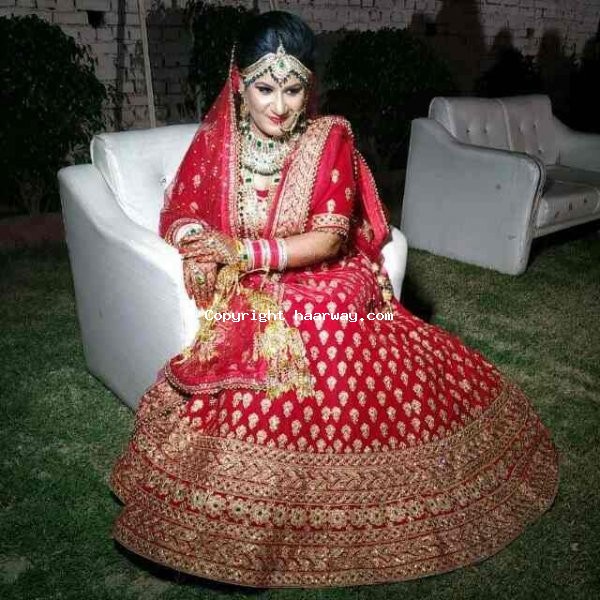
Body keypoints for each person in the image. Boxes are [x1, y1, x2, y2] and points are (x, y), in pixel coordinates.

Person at [110, 11, 558, 588]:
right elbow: (183, 210)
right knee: (261, 330)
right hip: (255, 281)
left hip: (326, 270)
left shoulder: (330, 138)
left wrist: (241, 252)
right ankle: (237, 503)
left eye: (293, 90)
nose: (279, 106)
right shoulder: (218, 141)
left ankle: (316, 487)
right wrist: (199, 245)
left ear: (309, 89)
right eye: (265, 89)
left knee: (317, 318)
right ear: (239, 84)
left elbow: (328, 238)